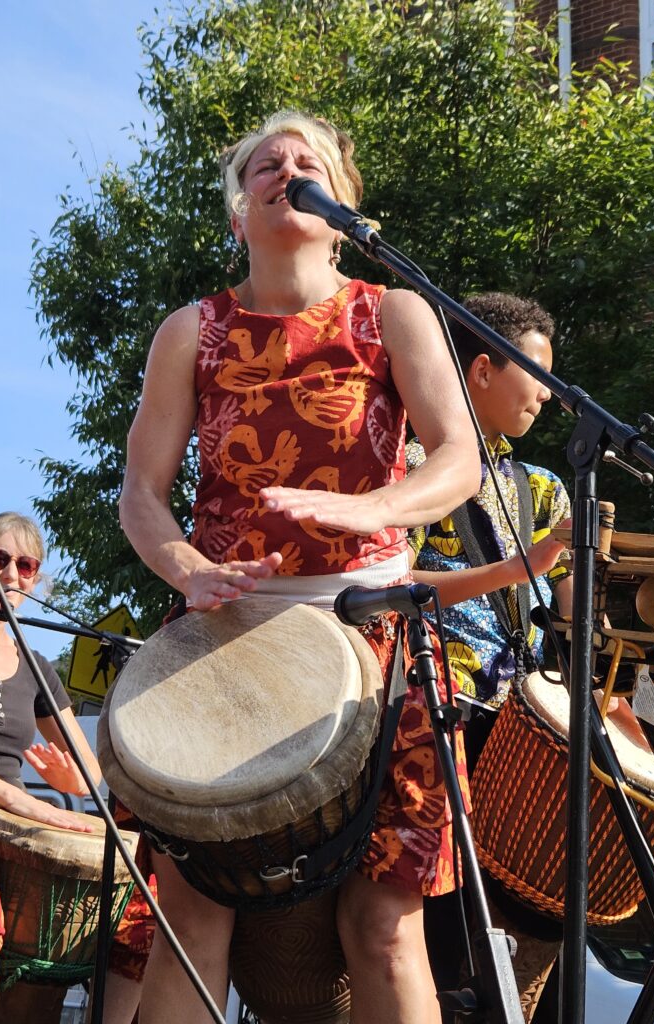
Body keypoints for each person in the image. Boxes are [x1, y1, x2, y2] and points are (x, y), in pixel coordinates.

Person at [118, 109, 481, 1024]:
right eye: (265, 166)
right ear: (239, 212)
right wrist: (184, 568)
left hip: (378, 635)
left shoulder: (392, 312)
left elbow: (458, 460)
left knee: (387, 925)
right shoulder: (190, 331)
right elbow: (140, 492)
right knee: (190, 917)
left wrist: (373, 508)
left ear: (342, 205)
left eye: (306, 164)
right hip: (222, 643)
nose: (285, 170)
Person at [407, 293, 572, 1023]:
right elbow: (388, 585)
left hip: (525, 737)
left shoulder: (543, 488)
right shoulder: (410, 465)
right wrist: (517, 569)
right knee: (448, 950)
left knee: (535, 932)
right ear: (480, 369)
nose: (547, 394)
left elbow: (570, 621)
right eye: (538, 375)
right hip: (437, 726)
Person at [0, 512, 102, 1024]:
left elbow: (88, 772)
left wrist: (71, 780)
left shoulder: (35, 666)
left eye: (26, 565)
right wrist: (15, 796)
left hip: (6, 831)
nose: (11, 573)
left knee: (139, 912)